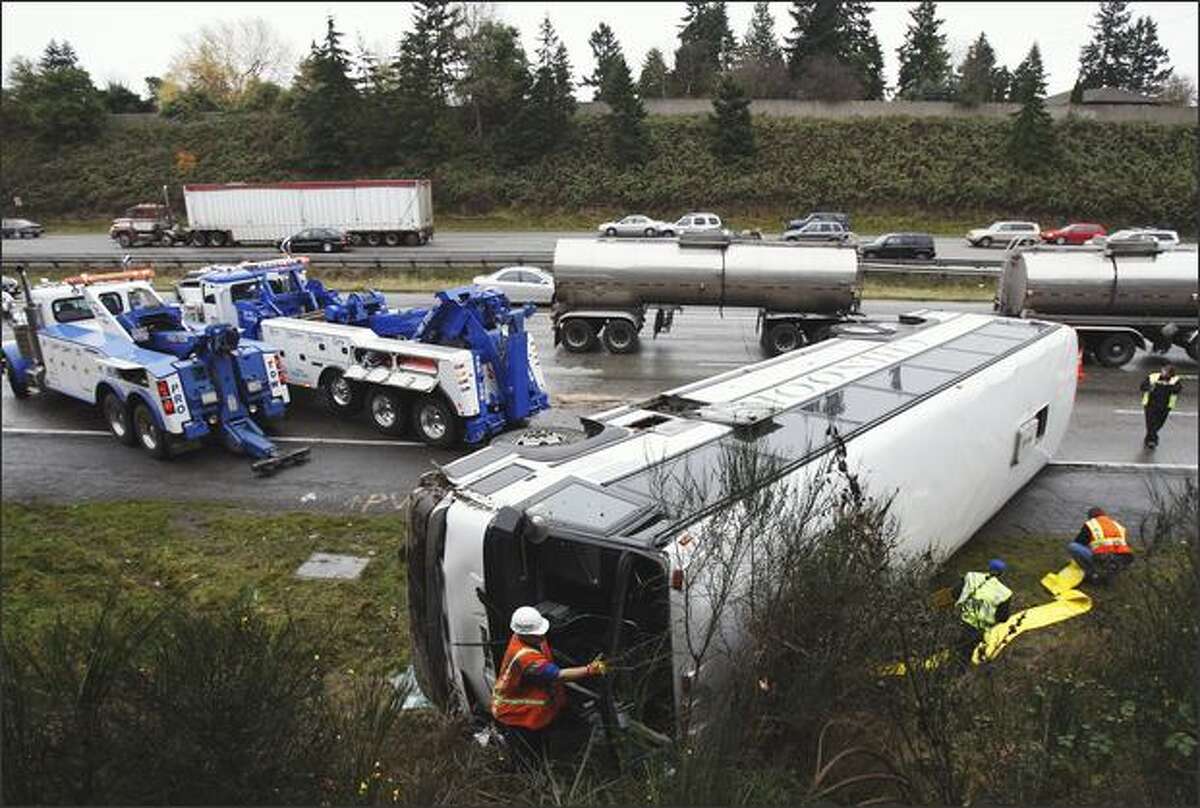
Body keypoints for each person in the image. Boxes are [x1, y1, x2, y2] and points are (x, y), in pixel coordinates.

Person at [491, 605, 607, 760]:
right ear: (523, 634)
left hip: (530, 712)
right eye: (537, 633)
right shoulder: (526, 658)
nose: (542, 635)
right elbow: (558, 675)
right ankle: (531, 778)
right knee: (529, 757)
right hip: (517, 714)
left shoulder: (529, 638)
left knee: (540, 747)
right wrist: (589, 670)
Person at [953, 559, 1013, 662]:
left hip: (956, 620)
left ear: (988, 567)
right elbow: (1003, 617)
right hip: (976, 629)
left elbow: (954, 593)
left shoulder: (971, 577)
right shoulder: (1004, 593)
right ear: (1002, 574)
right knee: (963, 656)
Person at [1068, 506, 1132, 582]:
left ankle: (1092, 573)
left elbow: (1079, 542)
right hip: (1123, 559)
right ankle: (1110, 573)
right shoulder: (1117, 525)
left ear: (1090, 517)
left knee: (1072, 546)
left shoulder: (1091, 524)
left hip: (1104, 558)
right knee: (1110, 558)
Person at [1140, 364, 1183, 449]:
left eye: (1166, 371)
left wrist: (1167, 386)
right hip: (1150, 404)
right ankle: (1152, 441)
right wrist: (1149, 388)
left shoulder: (1174, 380)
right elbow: (1142, 386)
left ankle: (1149, 438)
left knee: (1159, 424)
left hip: (1165, 406)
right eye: (1163, 370)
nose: (1163, 372)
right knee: (1150, 423)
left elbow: (1177, 390)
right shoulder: (1153, 377)